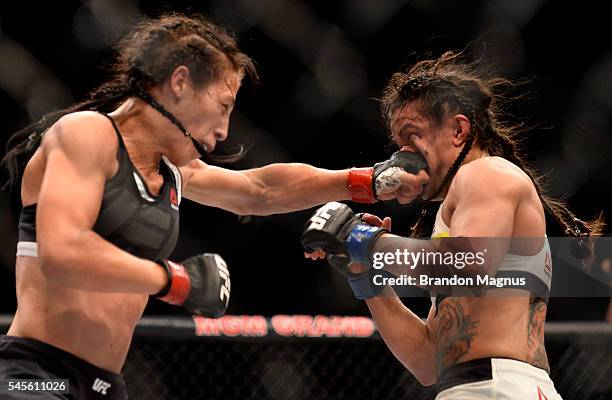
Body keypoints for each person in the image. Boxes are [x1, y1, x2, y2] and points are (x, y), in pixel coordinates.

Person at [0, 14, 424, 400]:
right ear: (180, 82)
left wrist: (364, 182)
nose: (223, 131)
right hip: (37, 375)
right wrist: (174, 280)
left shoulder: (172, 171)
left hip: (105, 385)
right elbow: (61, 251)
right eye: (222, 106)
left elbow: (259, 189)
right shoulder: (88, 135)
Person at [302, 51, 603, 400]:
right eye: (398, 143)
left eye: (413, 136)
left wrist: (364, 240)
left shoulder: (486, 174)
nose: (403, 156)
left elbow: (470, 264)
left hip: (497, 387)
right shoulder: (457, 216)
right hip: (481, 386)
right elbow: (428, 362)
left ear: (459, 130)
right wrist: (365, 274)